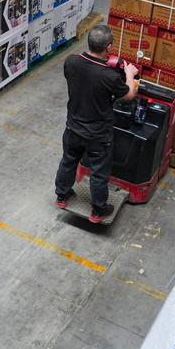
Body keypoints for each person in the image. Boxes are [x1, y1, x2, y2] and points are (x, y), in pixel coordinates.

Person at [54, 24, 138, 223]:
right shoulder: (109, 76)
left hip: (73, 128)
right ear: (109, 47)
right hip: (98, 135)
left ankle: (62, 196)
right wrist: (129, 74)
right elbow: (129, 95)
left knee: (68, 161)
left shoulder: (71, 62)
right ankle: (99, 210)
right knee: (99, 172)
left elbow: (86, 76)